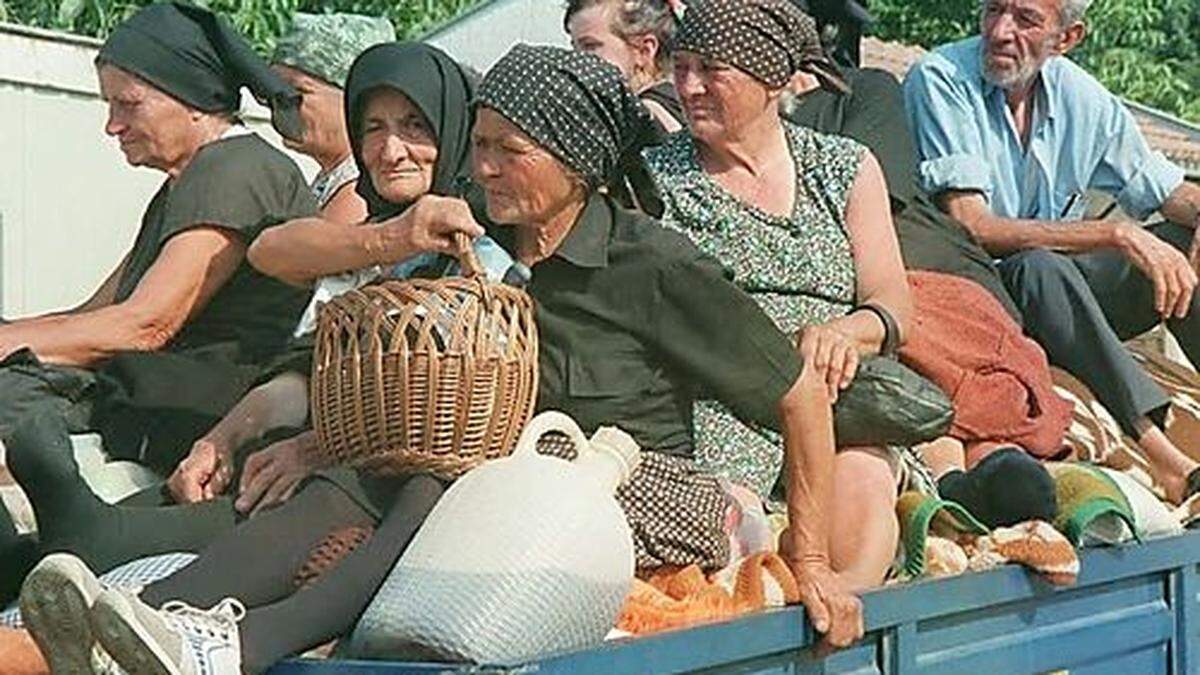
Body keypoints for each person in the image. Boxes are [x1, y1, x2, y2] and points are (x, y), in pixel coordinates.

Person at [18, 44, 866, 675]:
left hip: (621, 491)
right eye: (483, 145)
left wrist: (815, 565)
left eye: (510, 152)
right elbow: (276, 250)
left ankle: (237, 648)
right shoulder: (477, 242)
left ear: (575, 161)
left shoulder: (653, 267)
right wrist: (390, 235)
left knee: (437, 474)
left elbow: (799, 395)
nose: (485, 167)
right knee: (367, 471)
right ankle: (142, 614)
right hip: (481, 480)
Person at [0, 1, 316, 594]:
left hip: (190, 410)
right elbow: (93, 315)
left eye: (128, 104)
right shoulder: (187, 185)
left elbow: (144, 325)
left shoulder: (235, 169)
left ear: (191, 100)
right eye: (108, 105)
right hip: (144, 393)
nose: (112, 126)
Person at [643, 0, 909, 590]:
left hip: (838, 399)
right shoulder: (655, 179)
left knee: (860, 502)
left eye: (711, 69)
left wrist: (845, 333)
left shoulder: (843, 167)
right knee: (729, 536)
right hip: (721, 406)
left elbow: (893, 302)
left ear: (769, 78)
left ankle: (838, 618)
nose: (689, 87)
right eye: (680, 67)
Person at [904, 0, 1200, 503]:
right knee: (1041, 265)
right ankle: (1166, 458)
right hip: (982, 302)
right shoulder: (939, 78)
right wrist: (1115, 234)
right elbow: (973, 226)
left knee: (1175, 247)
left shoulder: (1082, 97)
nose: (1000, 31)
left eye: (1024, 19)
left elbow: (1169, 193)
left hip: (1061, 300)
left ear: (1068, 38)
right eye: (993, 11)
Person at [778, 25, 1060, 527]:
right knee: (906, 378)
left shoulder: (865, 93)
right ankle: (954, 481)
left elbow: (872, 197)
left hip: (924, 274)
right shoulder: (678, 123)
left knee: (952, 353)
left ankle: (990, 466)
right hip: (858, 292)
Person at [564, 0, 685, 132]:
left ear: (644, 50)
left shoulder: (642, 121)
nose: (576, 59)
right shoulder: (684, 106)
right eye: (575, 48)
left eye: (590, 46)